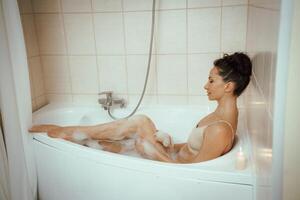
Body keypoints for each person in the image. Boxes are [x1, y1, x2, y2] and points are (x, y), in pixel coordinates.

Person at [29, 52, 252, 163]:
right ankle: (78, 137)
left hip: (172, 166)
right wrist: (170, 143)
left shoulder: (220, 129)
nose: (206, 85)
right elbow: (195, 148)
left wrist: (154, 151)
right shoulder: (225, 115)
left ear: (228, 86)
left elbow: (195, 173)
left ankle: (69, 133)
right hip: (172, 155)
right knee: (138, 126)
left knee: (139, 124)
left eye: (212, 81)